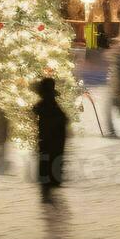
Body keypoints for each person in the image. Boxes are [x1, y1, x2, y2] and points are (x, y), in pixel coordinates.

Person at [32, 76, 68, 204]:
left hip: (47, 140)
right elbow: (60, 119)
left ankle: (46, 189)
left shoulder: (44, 104)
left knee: (46, 163)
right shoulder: (50, 104)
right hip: (53, 140)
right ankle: (47, 189)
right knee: (50, 162)